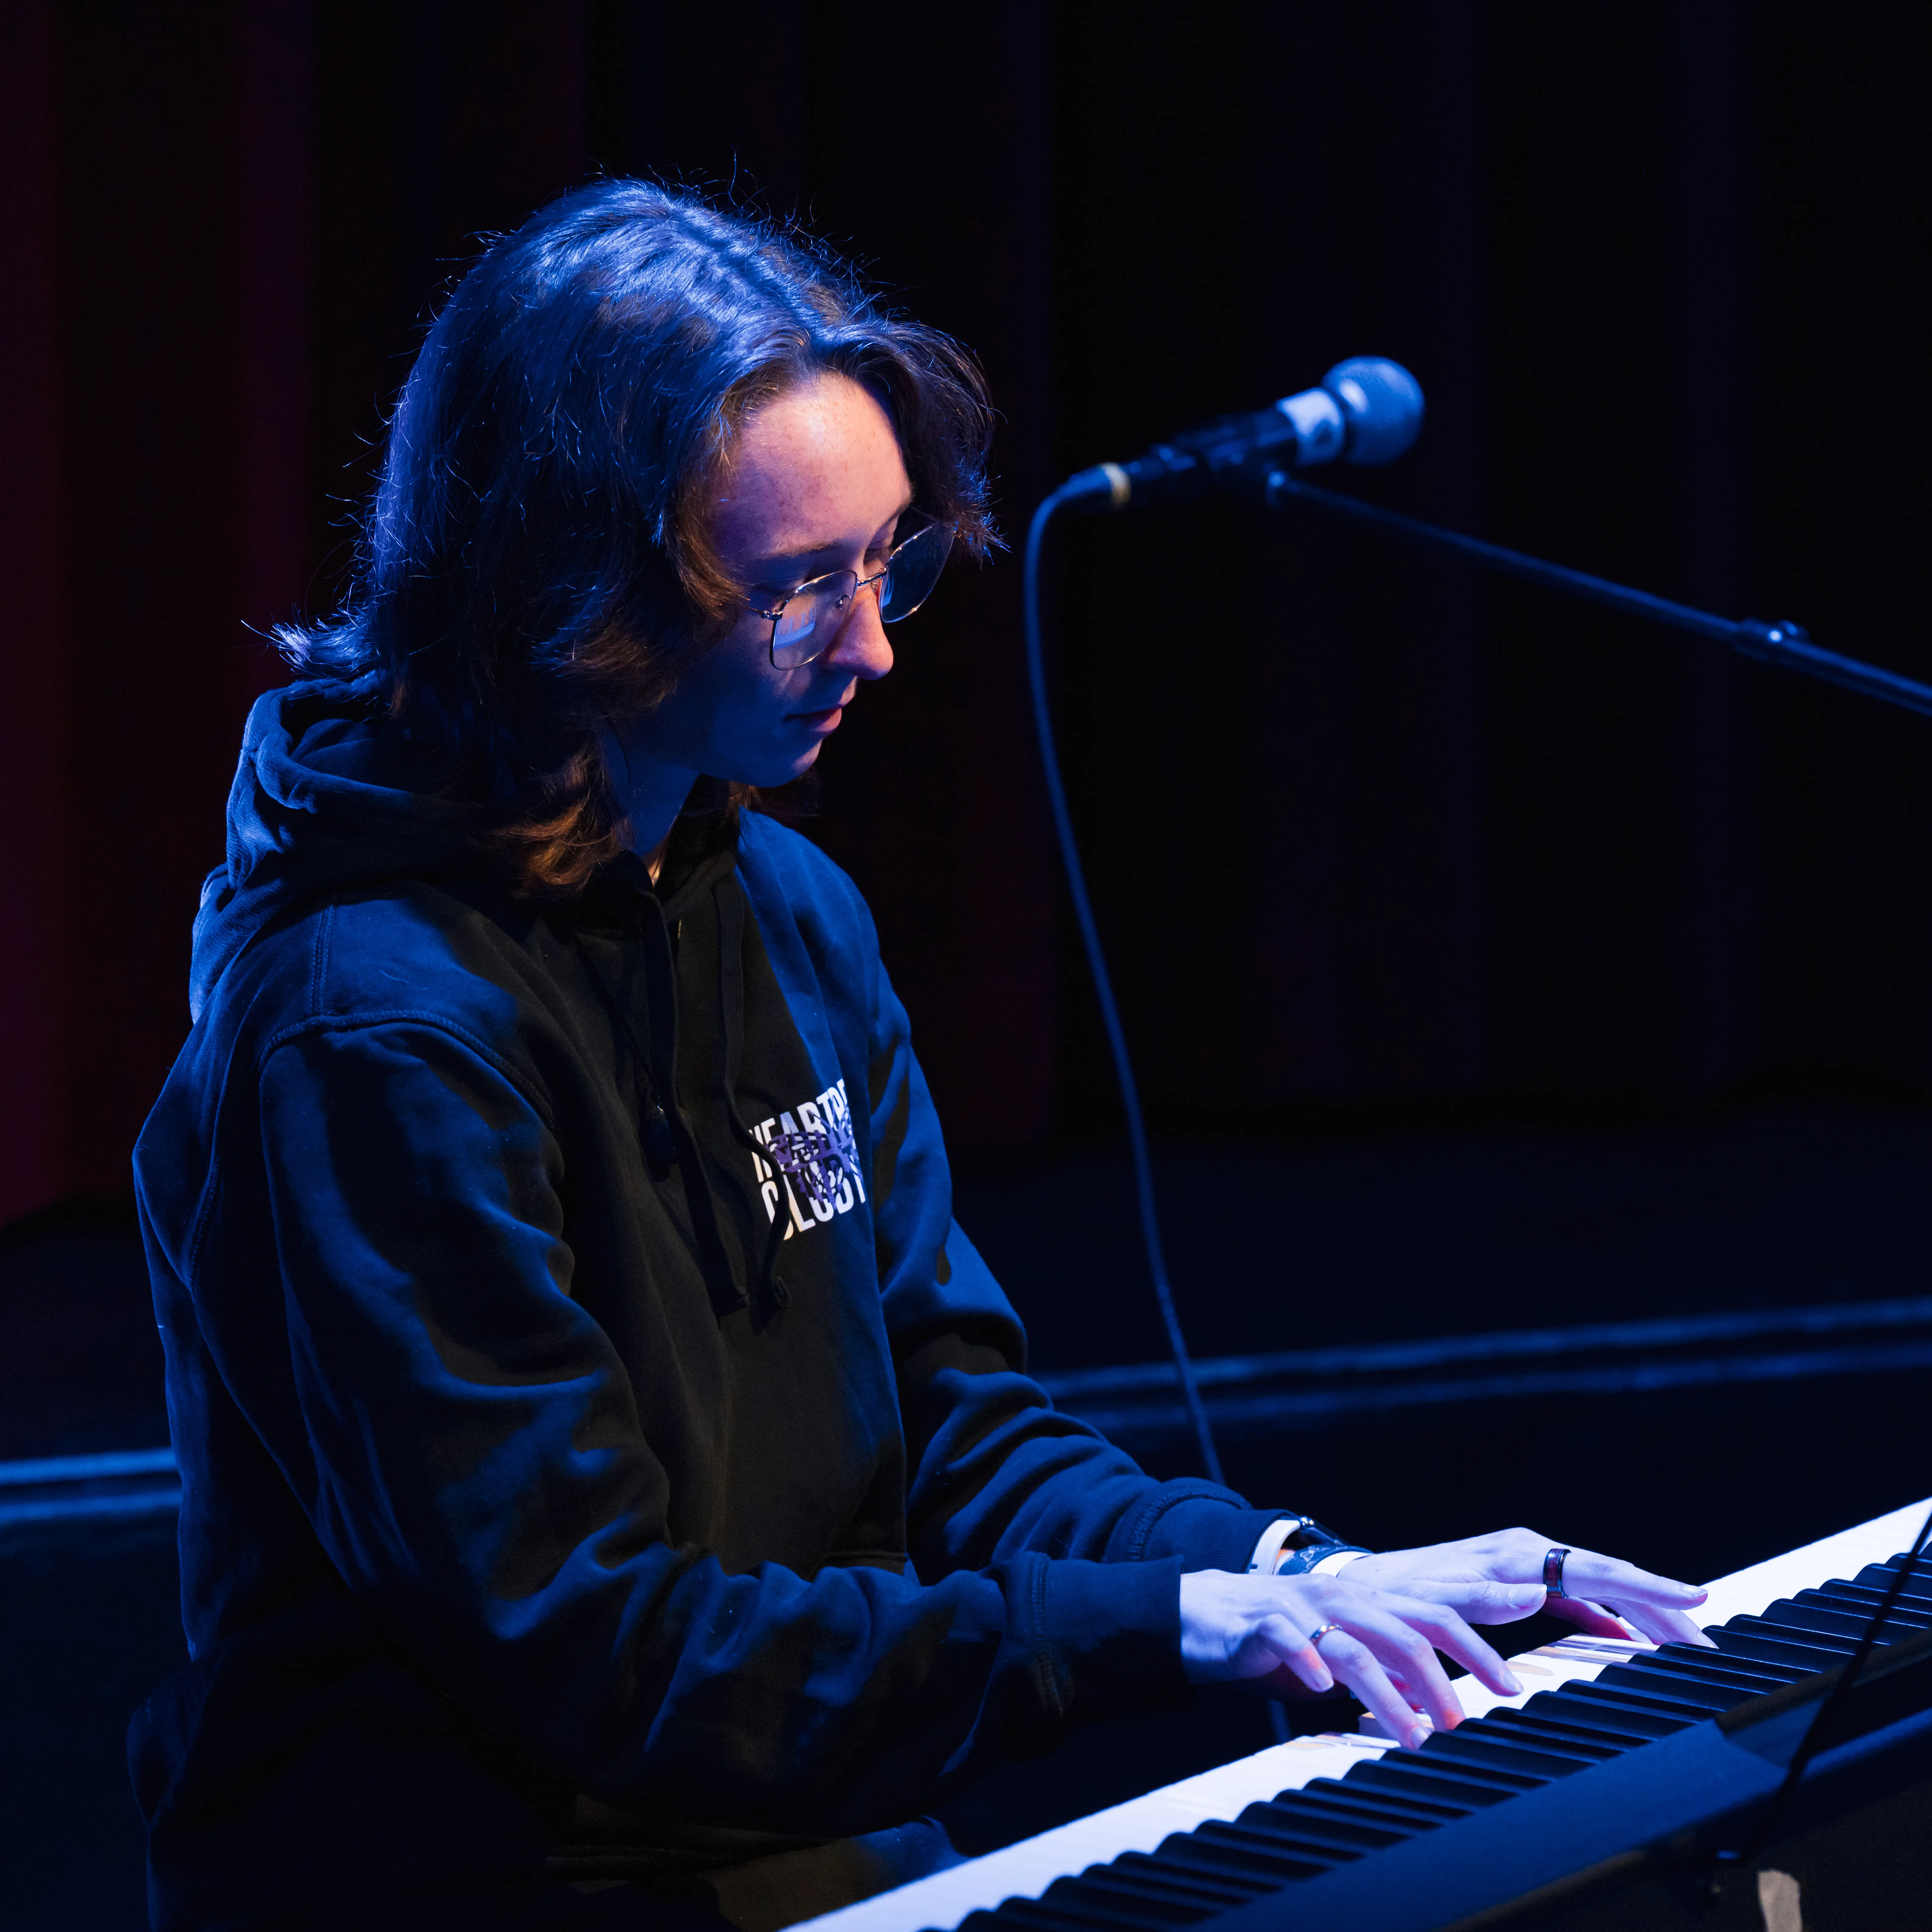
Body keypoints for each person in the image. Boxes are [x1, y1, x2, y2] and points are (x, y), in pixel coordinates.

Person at [130, 181, 1709, 1932]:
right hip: (484, 1879)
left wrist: (1297, 1577)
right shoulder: (375, 1025)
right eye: (797, 588)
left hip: (782, 1836)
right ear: (572, 592)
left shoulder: (784, 905)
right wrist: (1176, 1633)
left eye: (885, 560)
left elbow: (950, 1432)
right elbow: (594, 1648)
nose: (874, 645)